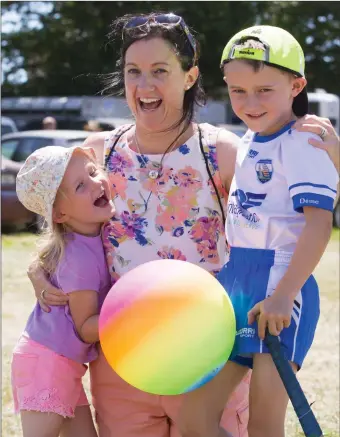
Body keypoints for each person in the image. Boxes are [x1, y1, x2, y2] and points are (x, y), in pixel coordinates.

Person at [26, 13, 340, 437]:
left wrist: (320, 144)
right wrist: (36, 269)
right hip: (124, 361)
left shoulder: (224, 150)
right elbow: (64, 226)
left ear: (190, 76)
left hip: (208, 350)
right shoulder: (97, 153)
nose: (145, 85)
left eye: (160, 71)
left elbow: (294, 204)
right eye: (133, 72)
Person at [177, 25, 339, 437]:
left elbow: (320, 225)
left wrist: (284, 293)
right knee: (194, 418)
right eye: (238, 90)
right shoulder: (247, 139)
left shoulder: (305, 140)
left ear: (296, 84)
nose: (250, 102)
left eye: (265, 90)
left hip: (282, 285)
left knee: (265, 424)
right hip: (236, 283)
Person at [12, 145, 115, 437]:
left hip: (62, 364)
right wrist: (133, 314)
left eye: (94, 173)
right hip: (47, 363)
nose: (96, 183)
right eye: (81, 185)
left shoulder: (93, 236)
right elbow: (85, 328)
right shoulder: (79, 258)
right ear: (59, 214)